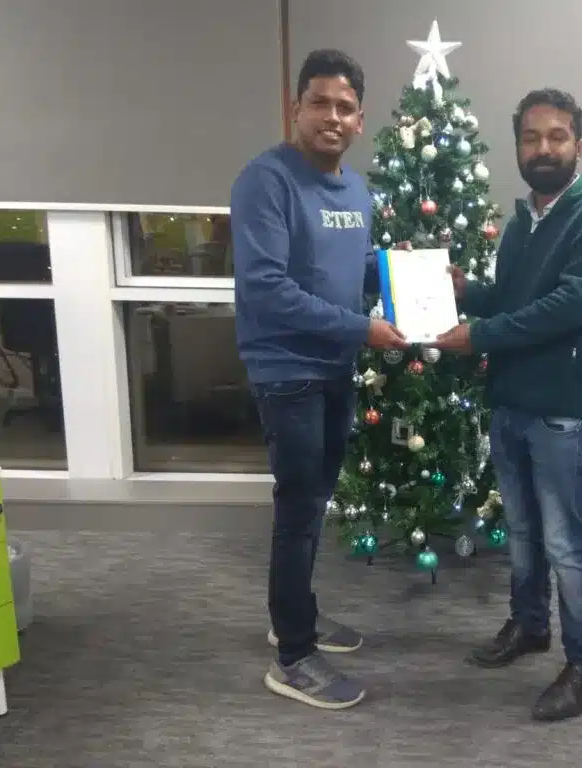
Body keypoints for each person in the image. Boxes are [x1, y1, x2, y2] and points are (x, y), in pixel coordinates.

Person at [435, 88, 582, 722]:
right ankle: (529, 625)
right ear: (518, 147)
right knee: (520, 530)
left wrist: (479, 335)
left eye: (556, 136)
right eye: (531, 137)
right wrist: (468, 293)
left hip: (561, 410)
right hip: (511, 401)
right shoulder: (522, 223)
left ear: (579, 145)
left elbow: (567, 308)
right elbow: (515, 300)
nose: (543, 148)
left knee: (565, 541)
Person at [231, 48, 408, 711]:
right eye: (320, 103)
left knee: (315, 503)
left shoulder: (356, 191)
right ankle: (293, 657)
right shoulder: (265, 182)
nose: (332, 117)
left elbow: (348, 266)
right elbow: (268, 288)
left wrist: (396, 274)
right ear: (296, 108)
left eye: (345, 107)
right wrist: (362, 328)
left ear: (360, 119)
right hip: (288, 371)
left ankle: (293, 617)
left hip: (335, 365)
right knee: (299, 509)